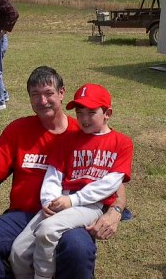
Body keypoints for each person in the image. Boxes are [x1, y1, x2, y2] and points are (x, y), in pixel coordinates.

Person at [0, 66, 129, 279]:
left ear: (62, 93)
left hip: (69, 216)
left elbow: (115, 182)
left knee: (77, 247)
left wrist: (116, 211)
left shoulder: (84, 131)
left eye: (48, 93)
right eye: (35, 95)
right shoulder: (18, 130)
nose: (42, 100)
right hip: (22, 216)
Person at [9, 83, 133, 279]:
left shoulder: (121, 142)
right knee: (18, 250)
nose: (83, 119)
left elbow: (110, 183)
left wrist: (73, 201)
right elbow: (54, 173)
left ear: (107, 113)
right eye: (79, 112)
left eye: (91, 112)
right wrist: (49, 200)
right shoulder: (68, 140)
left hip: (90, 206)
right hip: (61, 201)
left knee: (47, 231)